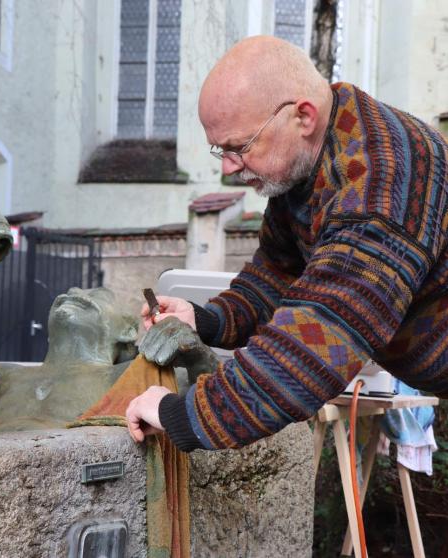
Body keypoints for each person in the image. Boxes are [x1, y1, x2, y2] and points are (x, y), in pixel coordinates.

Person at [125, 35, 448, 452]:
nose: (228, 167)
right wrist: (207, 320)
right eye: (219, 150)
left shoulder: (379, 184)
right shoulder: (306, 163)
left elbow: (315, 341)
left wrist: (181, 414)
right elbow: (278, 271)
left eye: (238, 147)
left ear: (303, 117)